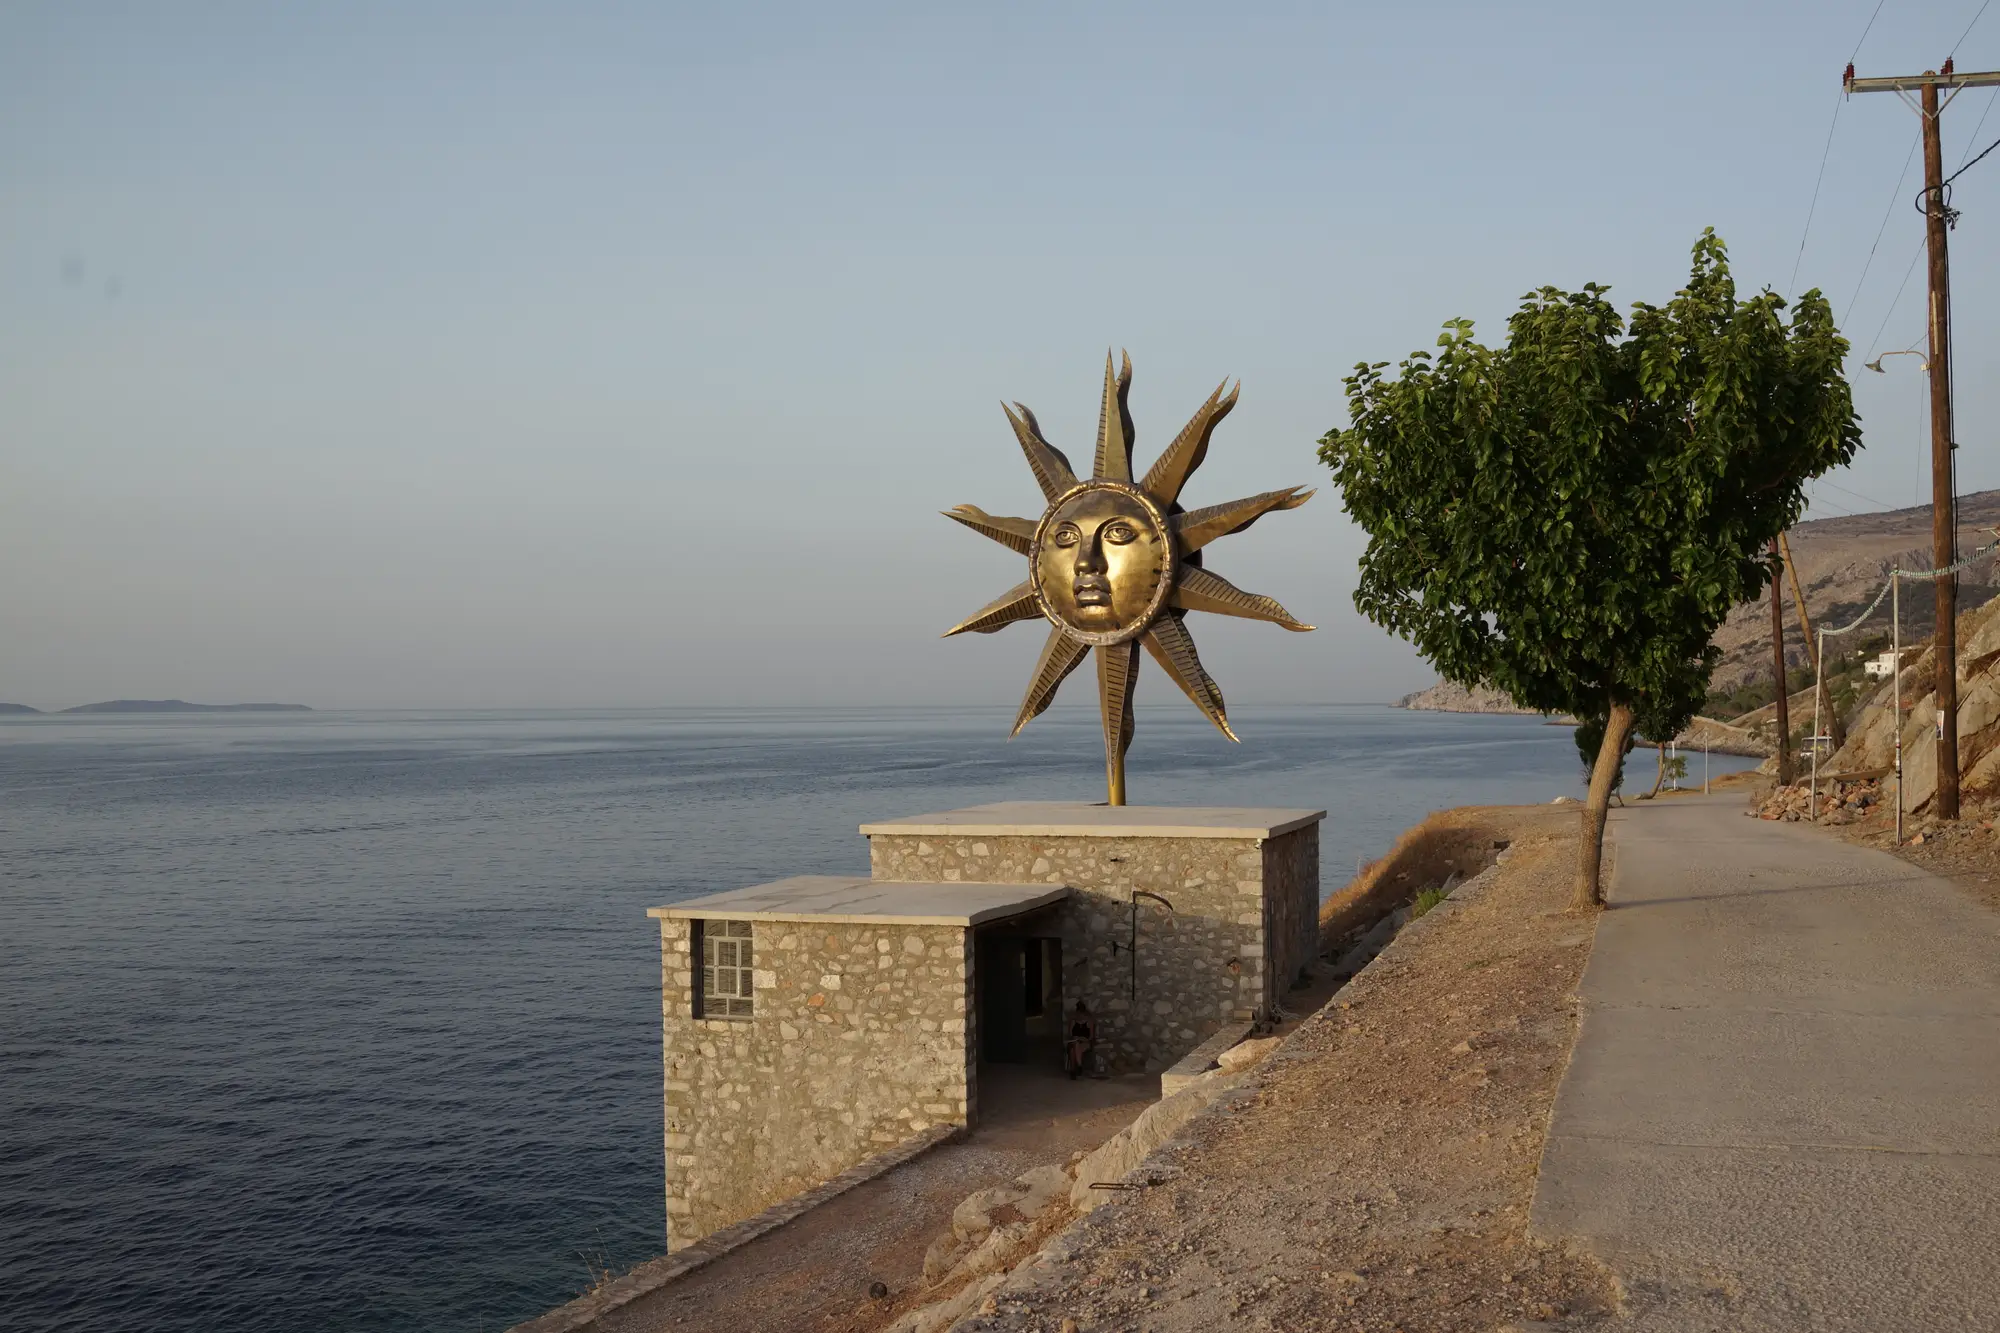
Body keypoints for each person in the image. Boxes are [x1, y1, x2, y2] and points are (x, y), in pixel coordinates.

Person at [1064, 999, 1097, 1079]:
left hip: (1085, 1042)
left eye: (1082, 1014)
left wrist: (1083, 1039)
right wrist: (1075, 1037)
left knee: (1074, 1049)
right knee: (1074, 1047)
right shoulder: (1073, 1022)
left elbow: (1091, 1036)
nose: (1080, 1015)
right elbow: (1070, 1035)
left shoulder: (1089, 1021)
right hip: (1074, 1041)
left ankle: (1073, 1071)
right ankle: (1079, 1066)